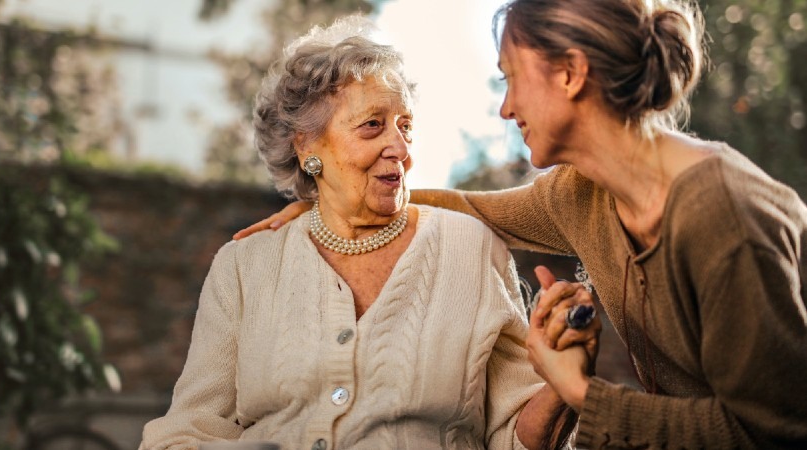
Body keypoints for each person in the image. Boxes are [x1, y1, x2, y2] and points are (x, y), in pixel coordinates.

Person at [235, 1, 807, 448]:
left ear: (571, 74)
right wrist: (332, 202)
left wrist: (578, 390)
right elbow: (471, 207)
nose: (506, 108)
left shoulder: (722, 215)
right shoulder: (582, 193)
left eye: (511, 78)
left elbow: (771, 431)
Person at [141, 16, 599, 450]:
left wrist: (562, 385)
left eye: (406, 127)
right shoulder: (244, 266)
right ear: (307, 146)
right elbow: (187, 431)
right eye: (373, 126)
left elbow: (515, 438)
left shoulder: (472, 249)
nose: (399, 149)